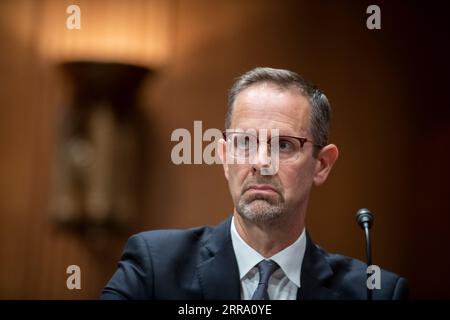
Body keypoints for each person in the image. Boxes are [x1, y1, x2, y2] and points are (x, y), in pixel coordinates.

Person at [101, 67, 408, 300]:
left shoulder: (377, 293)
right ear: (224, 156)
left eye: (284, 145)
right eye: (244, 142)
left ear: (322, 165)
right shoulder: (155, 268)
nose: (261, 162)